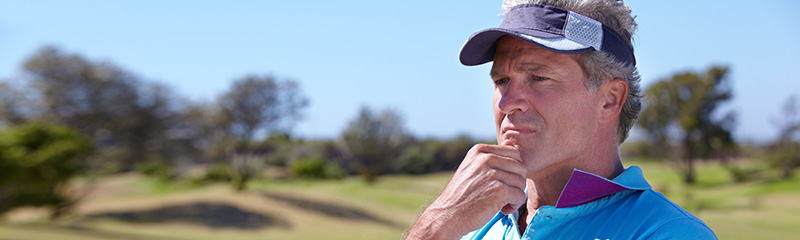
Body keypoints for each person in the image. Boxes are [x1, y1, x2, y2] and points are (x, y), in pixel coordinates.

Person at [406, 0, 718, 239]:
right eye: (501, 80)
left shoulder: (667, 233)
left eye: (538, 77)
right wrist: (438, 224)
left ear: (610, 100)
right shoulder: (472, 225)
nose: (507, 102)